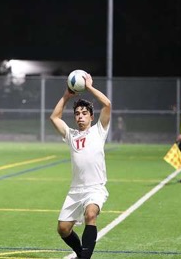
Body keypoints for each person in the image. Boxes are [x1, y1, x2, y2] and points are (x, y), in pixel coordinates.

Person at [50, 72, 111, 259]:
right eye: (77, 114)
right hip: (76, 190)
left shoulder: (98, 131)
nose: (80, 116)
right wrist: (67, 96)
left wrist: (89, 87)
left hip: (95, 188)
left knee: (90, 214)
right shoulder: (71, 136)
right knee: (63, 228)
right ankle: (80, 253)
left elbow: (107, 105)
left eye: (84, 113)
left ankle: (85, 257)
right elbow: (54, 118)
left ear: (91, 117)